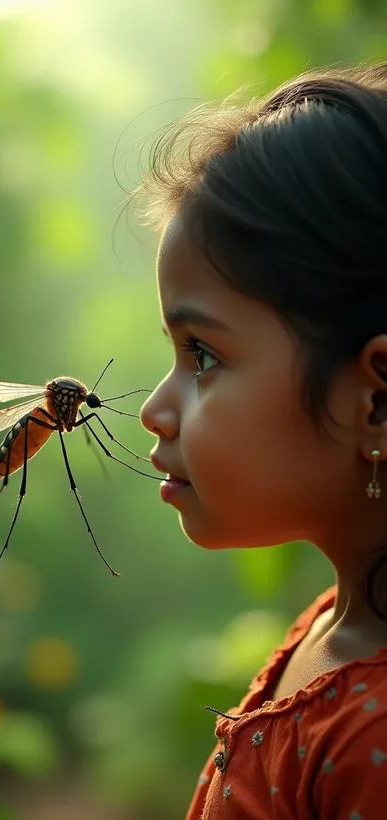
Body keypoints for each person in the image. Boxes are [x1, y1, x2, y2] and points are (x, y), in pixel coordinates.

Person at [136, 62, 387, 818]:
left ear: (378, 403)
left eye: (203, 356)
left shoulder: (373, 740)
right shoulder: (330, 626)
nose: (154, 408)